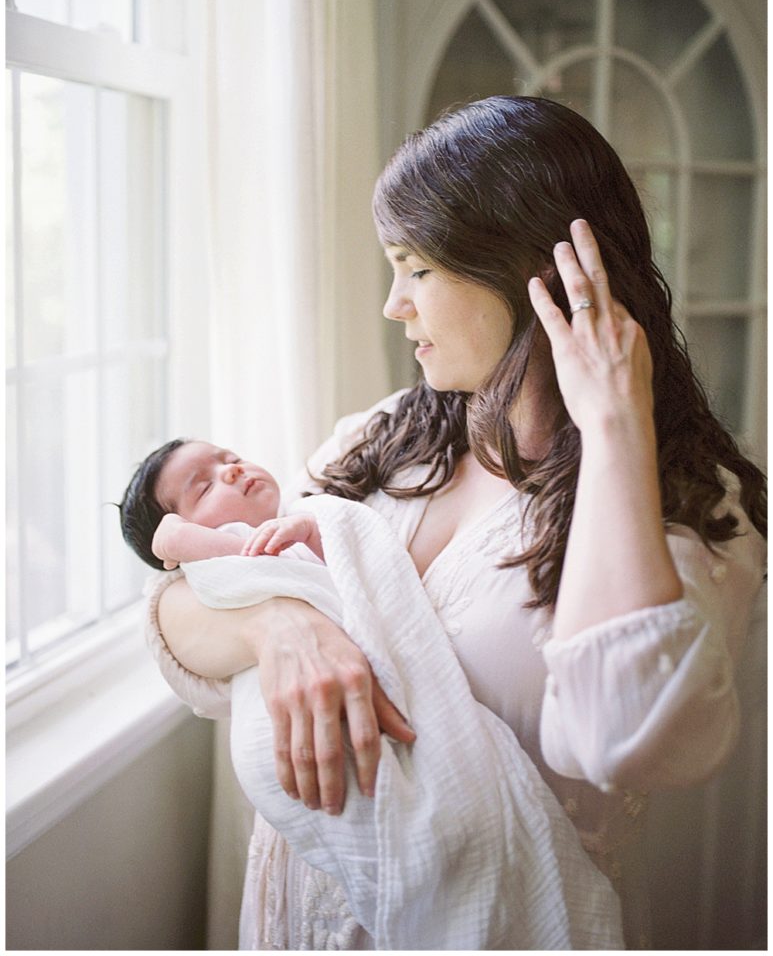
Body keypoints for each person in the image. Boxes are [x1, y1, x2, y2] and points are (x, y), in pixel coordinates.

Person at [145, 95, 766, 949]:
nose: (394, 304)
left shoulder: (688, 509)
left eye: (417, 267)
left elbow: (628, 737)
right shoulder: (384, 440)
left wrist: (617, 424)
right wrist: (276, 623)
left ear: (526, 271)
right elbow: (178, 615)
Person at [118, 438, 324, 570]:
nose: (231, 469)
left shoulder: (302, 500)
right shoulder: (229, 542)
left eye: (231, 459)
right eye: (205, 488)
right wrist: (179, 538)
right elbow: (271, 566)